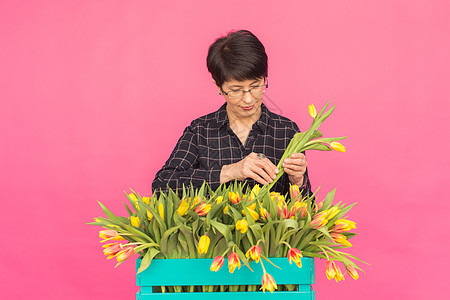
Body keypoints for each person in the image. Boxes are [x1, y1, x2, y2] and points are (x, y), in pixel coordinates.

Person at [152, 30, 312, 198]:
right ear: (219, 86)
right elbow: (162, 185)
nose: (249, 99)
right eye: (236, 90)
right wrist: (229, 171)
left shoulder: (287, 131)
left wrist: (298, 182)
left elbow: (309, 211)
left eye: (256, 86)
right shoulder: (200, 131)